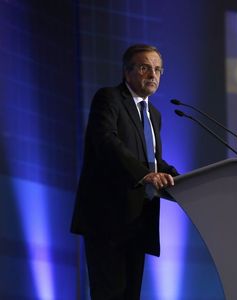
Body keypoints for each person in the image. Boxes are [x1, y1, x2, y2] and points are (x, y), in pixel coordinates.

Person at [70, 44, 179, 299]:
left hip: (139, 220)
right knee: (109, 293)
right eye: (144, 68)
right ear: (127, 72)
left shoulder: (154, 114)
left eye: (157, 69)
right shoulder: (109, 98)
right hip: (108, 219)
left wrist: (189, 182)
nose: (152, 75)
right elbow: (106, 141)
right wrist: (145, 175)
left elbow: (154, 161)